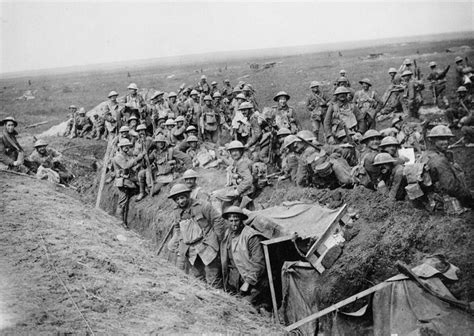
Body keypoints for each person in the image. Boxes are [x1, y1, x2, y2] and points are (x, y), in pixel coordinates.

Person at [168, 183, 224, 286]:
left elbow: (217, 220)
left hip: (206, 245)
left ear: (187, 196)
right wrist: (181, 240)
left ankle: (217, 299)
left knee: (213, 278)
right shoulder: (176, 212)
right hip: (190, 250)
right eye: (177, 199)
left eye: (182, 197)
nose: (180, 201)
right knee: (198, 278)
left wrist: (217, 238)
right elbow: (177, 227)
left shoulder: (202, 205)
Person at [220, 206, 269, 309]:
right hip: (234, 279)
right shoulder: (227, 234)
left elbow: (258, 263)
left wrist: (248, 282)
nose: (234, 224)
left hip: (252, 282)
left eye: (236, 220)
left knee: (246, 306)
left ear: (241, 220)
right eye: (231, 221)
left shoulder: (250, 236)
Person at [420, 125, 473, 209]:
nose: (446, 142)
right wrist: (468, 198)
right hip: (440, 198)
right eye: (441, 139)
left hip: (429, 194)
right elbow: (450, 186)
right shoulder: (438, 160)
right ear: (432, 140)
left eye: (447, 139)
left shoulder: (428, 153)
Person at [112, 138, 144, 228]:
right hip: (123, 181)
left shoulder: (126, 155)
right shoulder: (118, 157)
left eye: (128, 146)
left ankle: (124, 220)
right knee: (122, 202)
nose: (126, 148)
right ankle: (120, 222)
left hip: (128, 180)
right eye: (124, 146)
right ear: (121, 147)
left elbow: (131, 165)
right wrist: (137, 158)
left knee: (127, 200)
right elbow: (125, 166)